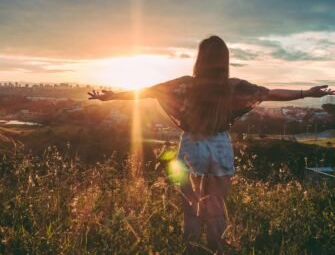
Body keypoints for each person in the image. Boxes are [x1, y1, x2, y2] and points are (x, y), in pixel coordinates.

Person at [88, 35, 334, 254]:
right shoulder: (233, 86)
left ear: (200, 59)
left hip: (192, 146)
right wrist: (306, 93)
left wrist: (111, 96)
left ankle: (192, 248)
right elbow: (270, 93)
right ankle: (218, 247)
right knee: (216, 205)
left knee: (190, 206)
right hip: (219, 146)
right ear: (224, 59)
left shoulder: (185, 84)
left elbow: (146, 91)